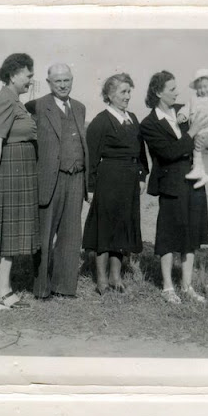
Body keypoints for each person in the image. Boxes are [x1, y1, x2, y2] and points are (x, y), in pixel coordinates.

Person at [140, 71, 208, 304]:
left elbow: (205, 135)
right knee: (169, 236)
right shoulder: (149, 124)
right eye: (172, 89)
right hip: (171, 185)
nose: (177, 92)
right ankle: (168, 287)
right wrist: (191, 134)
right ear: (158, 92)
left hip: (194, 181)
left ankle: (187, 285)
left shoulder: (184, 110)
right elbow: (168, 153)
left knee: (191, 235)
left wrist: (205, 139)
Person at [0, 53, 40, 310]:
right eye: (28, 75)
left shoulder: (15, 100)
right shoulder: (5, 99)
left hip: (19, 171)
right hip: (9, 172)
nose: (30, 80)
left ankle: (4, 291)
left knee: (11, 234)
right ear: (14, 74)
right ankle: (1, 295)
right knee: (6, 232)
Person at [25, 63, 89, 299]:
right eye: (58, 81)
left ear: (72, 81)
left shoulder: (80, 108)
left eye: (67, 80)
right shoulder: (38, 106)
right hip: (50, 179)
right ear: (49, 82)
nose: (63, 85)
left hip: (76, 178)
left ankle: (64, 286)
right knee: (44, 234)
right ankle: (42, 288)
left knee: (71, 235)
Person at [82, 73, 149, 294]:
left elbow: (141, 152)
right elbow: (91, 159)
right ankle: (101, 280)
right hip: (108, 179)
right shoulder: (100, 122)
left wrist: (142, 175)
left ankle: (116, 277)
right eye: (123, 92)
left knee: (122, 227)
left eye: (130, 91)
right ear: (109, 95)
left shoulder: (132, 119)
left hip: (129, 181)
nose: (128, 96)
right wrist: (90, 188)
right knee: (105, 229)